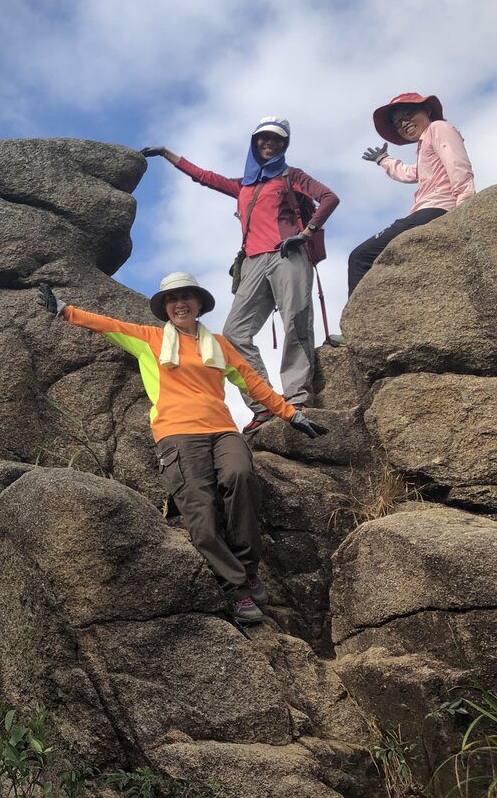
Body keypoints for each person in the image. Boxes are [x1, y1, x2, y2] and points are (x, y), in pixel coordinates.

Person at [38, 272, 327, 624]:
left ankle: (248, 569)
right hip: (176, 434)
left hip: (222, 430)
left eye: (187, 297)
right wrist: (65, 310)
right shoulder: (151, 339)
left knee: (241, 476)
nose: (180, 304)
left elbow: (253, 383)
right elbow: (107, 326)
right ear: (165, 308)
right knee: (200, 510)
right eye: (172, 299)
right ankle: (235, 588)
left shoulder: (219, 345)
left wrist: (291, 415)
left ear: (199, 303)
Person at [142, 117, 339, 434]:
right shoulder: (244, 185)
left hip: (288, 254)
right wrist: (167, 154)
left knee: (296, 321)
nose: (269, 143)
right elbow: (205, 177)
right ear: (255, 142)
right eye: (264, 138)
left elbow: (329, 197)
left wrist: (306, 233)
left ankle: (297, 398)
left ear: (284, 144)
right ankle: (264, 403)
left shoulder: (292, 175)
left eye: (277, 139)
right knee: (234, 333)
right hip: (252, 262)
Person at [346, 91, 476, 295]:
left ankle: (358, 314)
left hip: (437, 209)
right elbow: (412, 173)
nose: (404, 123)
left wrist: (464, 207)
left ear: (427, 110)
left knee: (360, 257)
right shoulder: (425, 143)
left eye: (408, 114)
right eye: (398, 123)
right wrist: (384, 159)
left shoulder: (438, 128)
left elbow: (457, 164)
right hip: (429, 211)